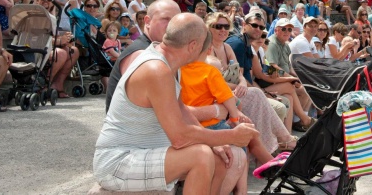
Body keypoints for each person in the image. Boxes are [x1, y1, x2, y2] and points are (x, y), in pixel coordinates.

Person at [93, 13, 257, 195]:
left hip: (143, 153)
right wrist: (231, 136)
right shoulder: (156, 69)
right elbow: (180, 137)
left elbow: (183, 111)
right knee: (201, 156)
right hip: (118, 162)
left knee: (219, 159)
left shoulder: (168, 63)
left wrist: (215, 143)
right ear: (193, 45)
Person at [206, 12, 297, 151]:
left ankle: (284, 140)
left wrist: (242, 83)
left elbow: (244, 74)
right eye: (218, 26)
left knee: (285, 95)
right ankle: (283, 141)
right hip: (222, 94)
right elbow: (259, 74)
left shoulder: (232, 47)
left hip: (238, 89)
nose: (223, 30)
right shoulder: (230, 46)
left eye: (226, 26)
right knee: (269, 100)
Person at [232, 13, 316, 133]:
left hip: (260, 85)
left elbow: (269, 69)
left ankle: (288, 132)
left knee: (291, 95)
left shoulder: (262, 49)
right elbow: (262, 73)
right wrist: (289, 79)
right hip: (255, 87)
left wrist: (292, 77)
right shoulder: (254, 47)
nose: (262, 39)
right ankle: (303, 120)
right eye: (284, 29)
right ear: (276, 30)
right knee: (292, 89)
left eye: (264, 34)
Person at [105, 0, 181, 111]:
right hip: (133, 126)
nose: (172, 25)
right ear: (148, 21)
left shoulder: (153, 50)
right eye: (165, 19)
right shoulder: (141, 54)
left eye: (176, 20)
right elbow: (166, 109)